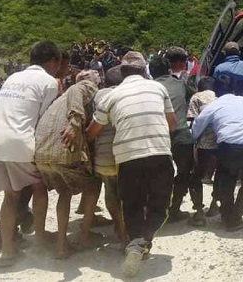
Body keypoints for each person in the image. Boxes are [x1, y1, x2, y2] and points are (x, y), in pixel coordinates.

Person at [86, 51, 176, 278]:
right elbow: (172, 124)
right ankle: (140, 243)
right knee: (160, 206)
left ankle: (136, 244)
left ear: (122, 71)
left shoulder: (111, 96)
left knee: (132, 205)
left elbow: (92, 132)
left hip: (126, 157)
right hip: (159, 153)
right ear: (144, 70)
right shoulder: (158, 88)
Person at [0, 40, 62, 266]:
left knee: (11, 195)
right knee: (39, 186)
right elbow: (44, 120)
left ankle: (7, 251)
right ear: (52, 61)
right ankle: (40, 239)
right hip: (18, 141)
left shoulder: (13, 77)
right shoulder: (49, 82)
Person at [34, 70, 101, 259]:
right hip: (63, 149)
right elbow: (79, 91)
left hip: (42, 153)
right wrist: (75, 122)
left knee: (65, 192)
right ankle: (84, 236)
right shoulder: (84, 87)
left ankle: (60, 245)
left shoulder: (60, 99)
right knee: (94, 183)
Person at [191, 75, 243, 232]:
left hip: (229, 147)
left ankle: (229, 219)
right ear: (233, 89)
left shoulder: (213, 106)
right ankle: (236, 216)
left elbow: (196, 128)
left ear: (215, 91)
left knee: (227, 182)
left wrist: (193, 140)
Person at [152, 55, 195, 223]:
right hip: (181, 133)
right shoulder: (180, 84)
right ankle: (174, 209)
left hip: (158, 135)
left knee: (156, 174)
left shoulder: (150, 87)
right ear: (169, 69)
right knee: (184, 172)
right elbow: (194, 97)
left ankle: (156, 209)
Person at [90, 65, 127, 243]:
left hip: (104, 156)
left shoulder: (98, 96)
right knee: (128, 192)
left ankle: (119, 227)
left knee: (110, 190)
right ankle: (129, 229)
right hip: (126, 153)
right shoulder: (127, 94)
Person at [187, 76, 219, 225]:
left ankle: (199, 212)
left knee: (195, 177)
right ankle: (214, 204)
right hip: (221, 143)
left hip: (204, 145)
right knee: (220, 175)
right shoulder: (220, 99)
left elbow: (192, 119)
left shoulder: (196, 97)